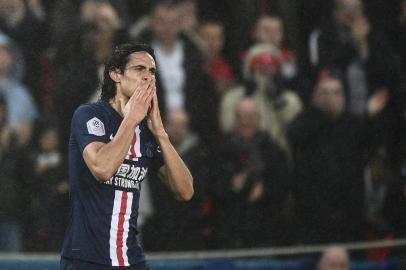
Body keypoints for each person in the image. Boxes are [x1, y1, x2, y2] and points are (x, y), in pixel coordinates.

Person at [60, 43, 194, 270]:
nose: (148, 78)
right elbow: (102, 169)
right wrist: (130, 119)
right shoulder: (90, 115)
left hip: (130, 259)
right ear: (115, 74)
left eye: (152, 72)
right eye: (139, 69)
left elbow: (185, 190)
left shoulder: (148, 131)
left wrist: (161, 133)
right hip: (86, 259)